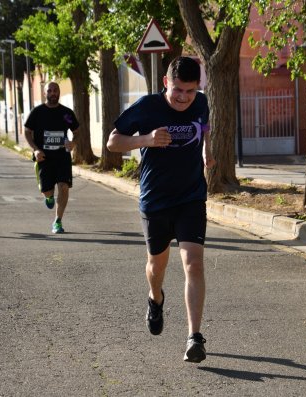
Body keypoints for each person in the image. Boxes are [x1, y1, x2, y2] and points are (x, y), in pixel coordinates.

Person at [107, 56, 215, 363]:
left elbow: (204, 124)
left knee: (193, 262)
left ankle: (195, 337)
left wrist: (207, 149)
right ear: (166, 83)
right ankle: (155, 299)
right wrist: (146, 139)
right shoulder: (147, 107)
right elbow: (112, 143)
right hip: (155, 200)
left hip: (191, 197)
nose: (183, 98)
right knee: (157, 266)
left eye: (190, 91)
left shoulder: (201, 103)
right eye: (178, 90)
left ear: (198, 89)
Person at [24, 81, 79, 234]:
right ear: (45, 93)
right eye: (50, 90)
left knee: (63, 187)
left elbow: (77, 130)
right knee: (48, 192)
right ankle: (48, 196)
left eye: (55, 90)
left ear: (59, 92)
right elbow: (27, 132)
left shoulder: (66, 114)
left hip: (62, 157)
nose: (53, 93)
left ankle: (58, 221)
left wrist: (73, 142)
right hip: (44, 157)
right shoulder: (37, 112)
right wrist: (35, 150)